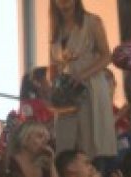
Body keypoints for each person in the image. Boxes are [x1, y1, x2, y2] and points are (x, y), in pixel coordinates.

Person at [50, 0, 116, 159]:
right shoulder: (56, 27)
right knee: (65, 143)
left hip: (90, 85)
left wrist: (83, 75)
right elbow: (53, 63)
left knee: (90, 140)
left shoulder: (92, 22)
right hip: (66, 90)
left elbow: (107, 56)